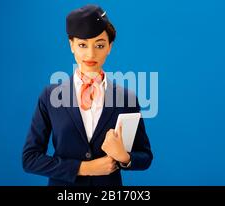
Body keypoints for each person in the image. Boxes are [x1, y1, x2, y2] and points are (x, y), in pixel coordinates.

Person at [22, 4, 153, 186]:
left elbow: (145, 156)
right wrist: (86, 168)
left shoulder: (127, 98)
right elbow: (30, 159)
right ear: (72, 46)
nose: (91, 54)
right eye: (82, 45)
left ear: (109, 47)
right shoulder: (50, 96)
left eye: (99, 45)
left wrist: (123, 156)